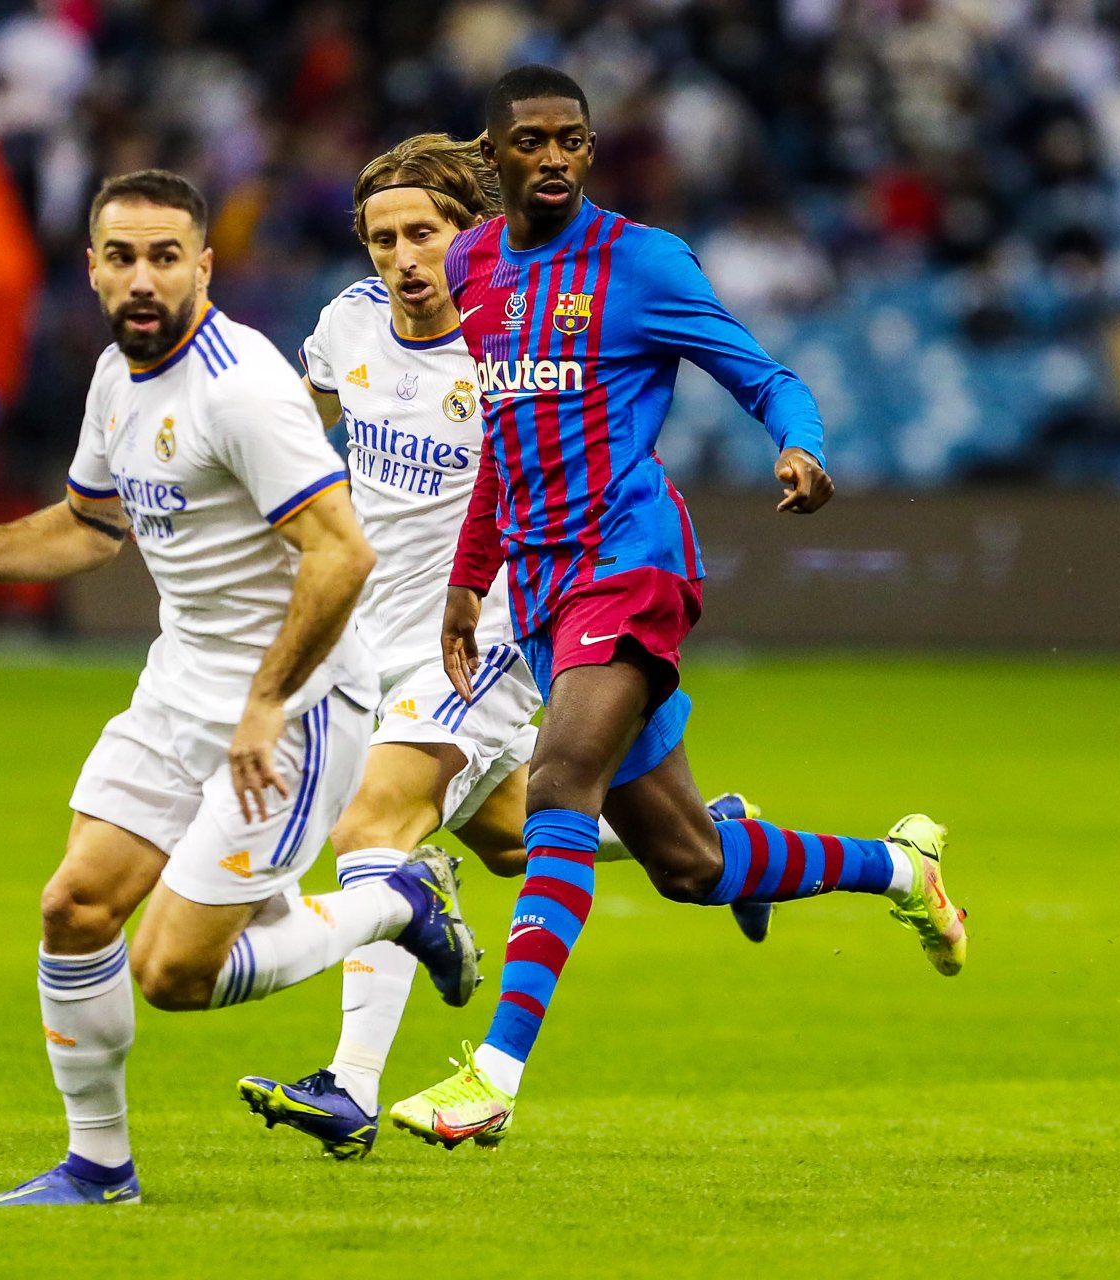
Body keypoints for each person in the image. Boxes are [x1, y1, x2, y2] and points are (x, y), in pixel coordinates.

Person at [0, 170, 480, 1207]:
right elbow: (91, 523)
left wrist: (268, 701)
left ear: (203, 266)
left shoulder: (242, 387)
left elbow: (340, 553)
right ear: (92, 267)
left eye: (165, 256)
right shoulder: (114, 375)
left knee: (174, 972)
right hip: (177, 691)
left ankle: (392, 900)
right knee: (74, 905)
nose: (144, 278)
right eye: (123, 256)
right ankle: (98, 1167)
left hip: (296, 710)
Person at [385, 66, 969, 1151]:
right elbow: (500, 447)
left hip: (633, 561)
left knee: (557, 779)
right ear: (496, 156)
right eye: (531, 143)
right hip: (545, 586)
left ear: (590, 151)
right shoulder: (472, 266)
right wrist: (468, 579)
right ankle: (901, 866)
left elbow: (765, 374)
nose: (553, 159)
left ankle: (492, 1074)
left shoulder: (640, 263)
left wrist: (802, 443)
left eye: (572, 140)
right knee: (692, 863)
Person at [232, 133, 768, 1162]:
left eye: (423, 232)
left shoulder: (512, 350)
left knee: (374, 823)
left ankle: (347, 1086)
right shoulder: (344, 324)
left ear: (469, 233)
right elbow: (305, 440)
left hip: (480, 634)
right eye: (382, 237)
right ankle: (716, 835)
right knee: (511, 838)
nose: (403, 256)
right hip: (366, 636)